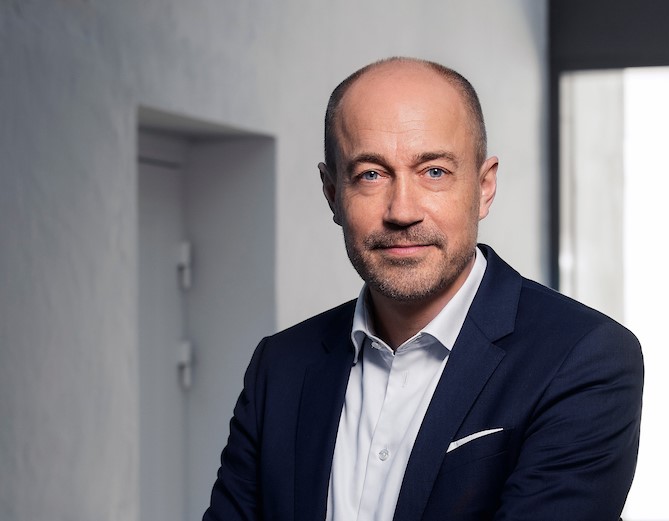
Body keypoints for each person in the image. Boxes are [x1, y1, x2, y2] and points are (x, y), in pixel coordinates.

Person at [203, 57, 643, 521]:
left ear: (484, 187)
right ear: (332, 193)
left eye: (434, 171)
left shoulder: (583, 358)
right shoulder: (280, 366)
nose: (402, 211)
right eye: (371, 174)